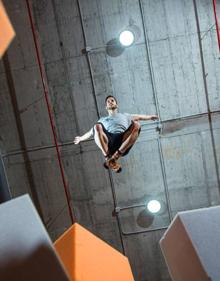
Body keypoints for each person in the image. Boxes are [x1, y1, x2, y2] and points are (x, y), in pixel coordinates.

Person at [74, 95, 159, 172]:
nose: (110, 102)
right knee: (96, 127)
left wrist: (150, 117)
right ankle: (108, 157)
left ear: (116, 105)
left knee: (137, 125)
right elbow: (90, 133)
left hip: (123, 141)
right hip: (109, 142)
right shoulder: (102, 120)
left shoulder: (125, 115)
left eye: (112, 100)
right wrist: (80, 138)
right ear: (106, 107)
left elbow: (140, 117)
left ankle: (116, 156)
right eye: (108, 101)